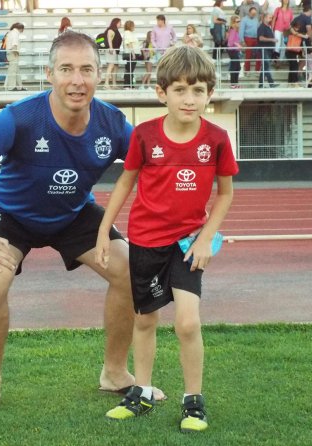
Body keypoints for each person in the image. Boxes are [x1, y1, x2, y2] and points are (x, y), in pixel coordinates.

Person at [0, 31, 165, 418]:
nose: (77, 80)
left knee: (131, 271)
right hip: (10, 214)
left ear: (100, 75)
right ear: (49, 74)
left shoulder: (113, 124)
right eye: (66, 69)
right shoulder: (20, 117)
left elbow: (152, 167)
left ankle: (114, 373)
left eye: (86, 70)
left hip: (73, 213)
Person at [96, 45, 239, 433]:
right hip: (145, 241)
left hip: (188, 243)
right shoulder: (143, 135)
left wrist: (206, 239)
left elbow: (225, 193)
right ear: (162, 93)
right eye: (180, 90)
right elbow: (125, 182)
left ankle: (193, 400)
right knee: (144, 320)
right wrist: (103, 230)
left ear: (210, 93)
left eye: (197, 90)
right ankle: (141, 391)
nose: (189, 99)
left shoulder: (217, 139)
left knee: (188, 323)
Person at [257, 13, 280, 88]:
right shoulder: (262, 27)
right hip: (264, 49)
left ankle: (261, 85)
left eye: (271, 18)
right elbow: (261, 38)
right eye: (269, 17)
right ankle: (271, 83)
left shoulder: (268, 27)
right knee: (266, 67)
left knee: (264, 68)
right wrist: (272, 39)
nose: (271, 19)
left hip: (269, 50)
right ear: (265, 18)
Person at [240, 7, 262, 77]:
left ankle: (258, 70)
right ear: (249, 13)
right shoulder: (244, 20)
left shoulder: (256, 19)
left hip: (256, 39)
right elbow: (241, 31)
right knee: (248, 55)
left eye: (255, 14)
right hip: (247, 38)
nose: (253, 15)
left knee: (259, 54)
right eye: (252, 13)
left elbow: (258, 29)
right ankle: (247, 70)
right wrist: (242, 41)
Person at [101, 18, 122, 89]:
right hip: (111, 50)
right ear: (116, 23)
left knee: (115, 67)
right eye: (120, 23)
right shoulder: (110, 30)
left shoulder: (116, 30)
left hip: (115, 50)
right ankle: (106, 84)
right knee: (111, 66)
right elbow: (109, 39)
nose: (121, 24)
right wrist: (111, 48)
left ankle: (114, 84)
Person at [4, 22, 26, 91]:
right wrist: (16, 53)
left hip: (10, 53)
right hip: (13, 53)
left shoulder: (10, 33)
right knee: (13, 71)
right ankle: (11, 87)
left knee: (16, 70)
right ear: (21, 28)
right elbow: (14, 45)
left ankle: (20, 86)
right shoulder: (15, 33)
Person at [122, 20, 140, 89]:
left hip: (133, 53)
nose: (134, 26)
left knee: (130, 70)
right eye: (133, 25)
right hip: (131, 54)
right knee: (129, 70)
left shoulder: (130, 33)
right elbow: (129, 43)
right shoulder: (127, 33)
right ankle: (127, 85)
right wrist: (133, 54)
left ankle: (131, 85)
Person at [227, 15, 243, 88]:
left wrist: (239, 45)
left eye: (240, 21)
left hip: (235, 50)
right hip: (232, 51)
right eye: (237, 21)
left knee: (237, 67)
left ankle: (235, 83)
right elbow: (230, 42)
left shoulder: (235, 30)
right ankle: (233, 84)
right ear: (233, 22)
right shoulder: (233, 30)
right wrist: (238, 45)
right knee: (234, 67)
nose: (239, 23)